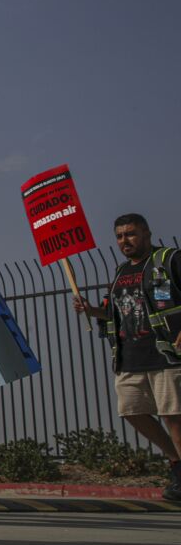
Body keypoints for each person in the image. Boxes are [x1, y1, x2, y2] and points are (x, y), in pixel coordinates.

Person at [73, 213, 181, 500]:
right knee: (132, 411)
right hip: (129, 359)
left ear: (146, 233)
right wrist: (90, 309)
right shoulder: (121, 272)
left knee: (173, 415)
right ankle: (176, 462)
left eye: (131, 234)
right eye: (120, 236)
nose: (125, 241)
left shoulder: (168, 260)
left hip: (166, 354)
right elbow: (113, 313)